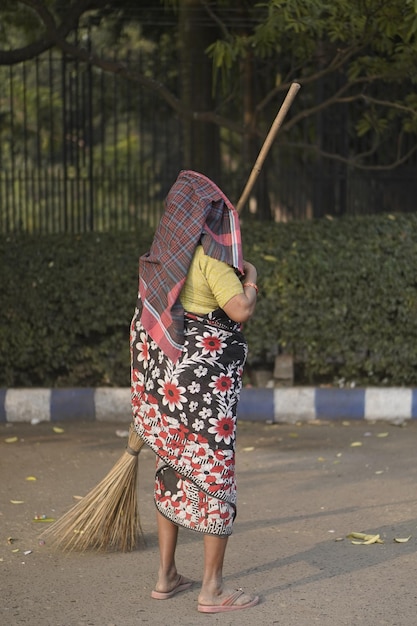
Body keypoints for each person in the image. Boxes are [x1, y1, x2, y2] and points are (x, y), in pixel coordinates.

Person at [130, 170, 259, 613]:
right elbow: (239, 309)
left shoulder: (161, 260)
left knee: (174, 470)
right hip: (206, 395)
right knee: (214, 477)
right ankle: (212, 589)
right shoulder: (211, 260)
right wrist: (253, 278)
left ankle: (166, 575)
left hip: (170, 391)